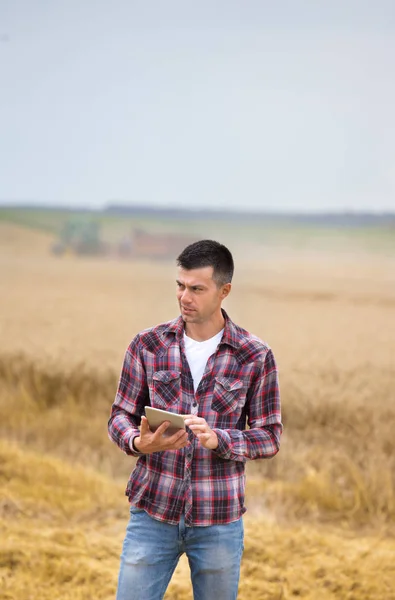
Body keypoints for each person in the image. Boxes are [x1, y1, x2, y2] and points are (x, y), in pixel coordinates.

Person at [108, 239, 282, 600]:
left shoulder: (255, 356)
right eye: (180, 285)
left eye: (197, 289)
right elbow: (120, 416)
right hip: (153, 511)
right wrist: (139, 442)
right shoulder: (147, 345)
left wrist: (222, 440)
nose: (184, 297)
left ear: (224, 291)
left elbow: (269, 436)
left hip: (218, 518)